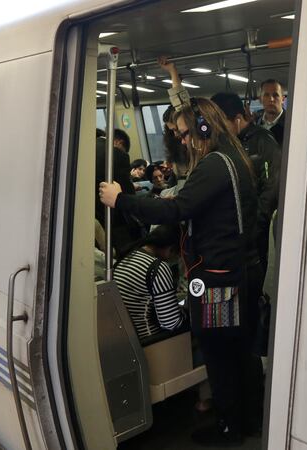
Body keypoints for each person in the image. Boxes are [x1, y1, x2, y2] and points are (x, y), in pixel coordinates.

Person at [99, 97, 263, 446]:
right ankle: (248, 420)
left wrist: (121, 200)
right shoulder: (235, 159)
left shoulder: (214, 165)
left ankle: (228, 428)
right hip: (239, 271)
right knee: (240, 352)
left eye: (186, 133)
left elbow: (177, 211)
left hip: (218, 279)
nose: (184, 140)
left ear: (204, 127)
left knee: (219, 356)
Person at [210, 92, 281, 278]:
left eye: (222, 123)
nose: (219, 130)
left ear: (238, 119)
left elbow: (271, 189)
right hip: (236, 229)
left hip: (256, 230)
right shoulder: (228, 144)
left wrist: (255, 227)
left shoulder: (263, 141)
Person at [114, 224, 186, 340]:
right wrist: (185, 313)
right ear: (171, 249)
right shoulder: (157, 268)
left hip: (130, 337)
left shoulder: (129, 255)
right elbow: (171, 323)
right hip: (151, 338)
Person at [255, 79, 286, 146]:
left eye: (276, 95)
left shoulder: (291, 125)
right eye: (266, 95)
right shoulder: (254, 124)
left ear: (283, 99)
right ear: (260, 99)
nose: (271, 99)